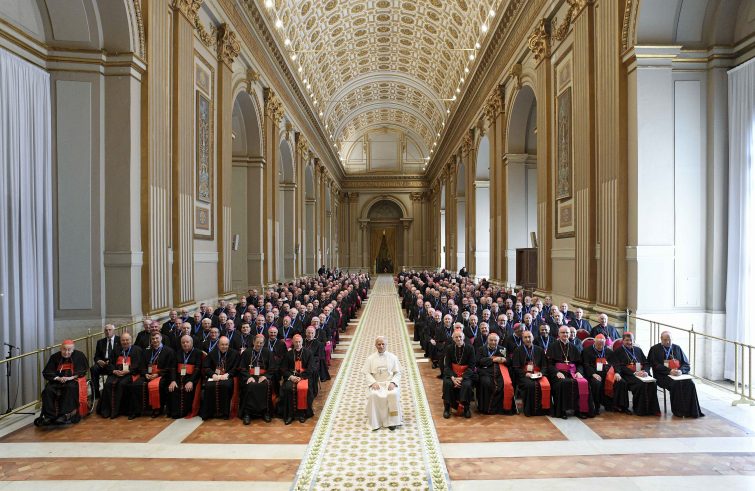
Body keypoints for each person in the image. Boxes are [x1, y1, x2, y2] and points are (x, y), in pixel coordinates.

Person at [647, 331, 703, 417]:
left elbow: (686, 364)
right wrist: (669, 371)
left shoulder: (677, 348)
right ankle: (679, 411)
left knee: (690, 383)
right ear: (661, 339)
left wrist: (681, 371)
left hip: (678, 375)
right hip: (663, 376)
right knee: (676, 384)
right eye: (665, 340)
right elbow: (654, 365)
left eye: (669, 340)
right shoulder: (654, 349)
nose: (667, 342)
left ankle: (691, 411)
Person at [35, 340, 88, 426]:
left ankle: (65, 415)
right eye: (64, 349)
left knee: (70, 388)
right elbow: (48, 372)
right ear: (60, 348)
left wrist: (70, 378)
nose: (66, 352)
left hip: (72, 380)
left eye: (69, 350)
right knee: (47, 391)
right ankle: (49, 416)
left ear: (73, 350)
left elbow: (82, 371)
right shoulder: (54, 357)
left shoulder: (79, 355)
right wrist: (58, 378)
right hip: (57, 381)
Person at [546, 326, 593, 419]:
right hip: (559, 373)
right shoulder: (552, 346)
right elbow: (549, 364)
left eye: (567, 333)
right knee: (563, 383)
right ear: (559, 334)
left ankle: (580, 410)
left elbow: (579, 363)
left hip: (572, 373)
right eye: (563, 332)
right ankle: (562, 411)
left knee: (583, 383)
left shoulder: (574, 347)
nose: (565, 334)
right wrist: (556, 372)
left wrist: (579, 372)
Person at [127, 331, 175, 419]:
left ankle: (157, 409)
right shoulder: (146, 351)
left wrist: (158, 374)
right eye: (153, 339)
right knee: (135, 385)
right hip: (148, 375)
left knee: (158, 385)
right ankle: (136, 411)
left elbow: (170, 367)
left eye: (157, 338)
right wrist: (145, 373)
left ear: (161, 338)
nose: (155, 340)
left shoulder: (169, 351)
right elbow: (141, 365)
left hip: (161, 376)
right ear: (151, 340)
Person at [98, 332, 146, 419]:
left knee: (121, 384)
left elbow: (139, 365)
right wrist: (114, 371)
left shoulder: (137, 350)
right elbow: (110, 363)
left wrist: (128, 371)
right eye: (123, 340)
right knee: (108, 384)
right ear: (120, 341)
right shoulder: (116, 350)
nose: (125, 342)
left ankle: (119, 411)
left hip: (130, 373)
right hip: (117, 373)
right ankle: (107, 410)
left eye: (127, 340)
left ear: (131, 340)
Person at [612, 332, 661, 416]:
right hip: (628, 375)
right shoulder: (618, 351)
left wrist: (645, 371)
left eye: (631, 340)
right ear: (623, 341)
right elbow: (620, 366)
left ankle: (653, 409)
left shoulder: (638, 350)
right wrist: (635, 373)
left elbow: (646, 363)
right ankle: (640, 410)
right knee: (640, 384)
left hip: (642, 374)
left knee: (652, 384)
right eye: (627, 340)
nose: (629, 342)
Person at [362, 336, 402, 431]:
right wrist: (373, 382)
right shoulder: (370, 358)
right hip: (377, 384)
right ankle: (376, 422)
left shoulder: (393, 357)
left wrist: (393, 382)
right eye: (379, 344)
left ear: (386, 345)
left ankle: (393, 422)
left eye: (383, 344)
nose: (381, 346)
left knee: (393, 394)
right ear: (375, 345)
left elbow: (398, 372)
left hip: (389, 384)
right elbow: (367, 373)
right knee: (374, 395)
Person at [200, 336, 240, 420]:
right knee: (209, 386)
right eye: (222, 344)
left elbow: (236, 368)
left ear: (228, 344)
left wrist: (228, 374)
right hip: (215, 376)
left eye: (226, 344)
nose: (224, 346)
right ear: (218, 345)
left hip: (227, 377)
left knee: (226, 386)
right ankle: (210, 412)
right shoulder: (212, 353)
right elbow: (206, 367)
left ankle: (224, 413)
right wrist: (213, 374)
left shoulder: (235, 353)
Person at [512, 330, 550, 416]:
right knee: (530, 385)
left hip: (538, 374)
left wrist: (541, 373)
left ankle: (543, 410)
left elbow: (544, 365)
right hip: (523, 375)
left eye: (529, 337)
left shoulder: (540, 350)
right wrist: (525, 374)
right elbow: (515, 367)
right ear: (522, 339)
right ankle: (530, 410)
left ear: (533, 338)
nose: (527, 339)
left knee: (545, 385)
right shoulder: (518, 350)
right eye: (525, 337)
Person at [279, 334, 315, 424]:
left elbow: (311, 368)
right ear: (293, 342)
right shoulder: (288, 354)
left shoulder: (308, 353)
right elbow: (283, 368)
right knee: (288, 388)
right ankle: (290, 415)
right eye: (296, 342)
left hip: (304, 377)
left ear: (302, 342)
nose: (298, 344)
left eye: (299, 342)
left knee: (304, 389)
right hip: (291, 377)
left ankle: (302, 413)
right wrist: (291, 377)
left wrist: (301, 377)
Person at [238, 334, 274, 425]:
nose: (259, 344)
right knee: (250, 385)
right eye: (257, 342)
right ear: (253, 342)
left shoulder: (268, 352)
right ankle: (247, 413)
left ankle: (265, 412)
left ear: (264, 343)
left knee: (266, 384)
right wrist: (248, 377)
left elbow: (272, 367)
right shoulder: (247, 352)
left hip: (263, 376)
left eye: (261, 343)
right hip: (250, 376)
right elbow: (242, 368)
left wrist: (266, 376)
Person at [475, 332, 514, 414]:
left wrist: (505, 360)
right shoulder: (481, 349)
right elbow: (478, 362)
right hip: (485, 372)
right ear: (487, 340)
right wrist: (493, 359)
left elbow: (509, 361)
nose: (493, 342)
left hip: (499, 372)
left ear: (498, 341)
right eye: (491, 340)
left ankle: (501, 408)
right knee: (486, 382)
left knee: (504, 383)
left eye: (495, 340)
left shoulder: (502, 349)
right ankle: (486, 408)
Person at [581, 334, 620, 413]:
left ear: (605, 343)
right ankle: (596, 406)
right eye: (598, 344)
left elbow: (615, 364)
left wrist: (617, 373)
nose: (600, 346)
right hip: (593, 374)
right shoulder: (586, 351)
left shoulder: (608, 351)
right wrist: (593, 374)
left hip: (607, 374)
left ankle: (610, 404)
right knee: (596, 383)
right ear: (594, 342)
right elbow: (585, 364)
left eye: (602, 344)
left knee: (618, 381)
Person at [442, 329, 476, 419]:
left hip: (465, 374)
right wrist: (453, 377)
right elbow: (447, 366)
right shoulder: (449, 348)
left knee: (467, 384)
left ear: (463, 337)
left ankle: (466, 408)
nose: (458, 339)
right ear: (453, 339)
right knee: (447, 383)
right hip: (452, 374)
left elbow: (472, 366)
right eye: (456, 337)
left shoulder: (470, 348)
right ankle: (447, 408)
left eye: (460, 336)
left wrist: (462, 377)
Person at [168, 334, 203, 419]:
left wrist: (191, 381)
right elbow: (173, 368)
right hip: (178, 377)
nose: (185, 344)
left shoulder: (198, 353)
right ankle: (175, 412)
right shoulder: (177, 352)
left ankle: (185, 411)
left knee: (188, 388)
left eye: (187, 342)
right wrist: (173, 380)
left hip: (192, 377)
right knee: (174, 388)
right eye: (183, 342)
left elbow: (198, 368)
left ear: (191, 343)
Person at [90, 324, 119, 400]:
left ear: (113, 330)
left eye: (110, 330)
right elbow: (96, 356)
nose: (108, 332)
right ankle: (96, 394)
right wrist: (99, 361)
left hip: (114, 364)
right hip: (103, 364)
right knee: (93, 368)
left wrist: (111, 361)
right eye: (106, 330)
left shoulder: (119, 340)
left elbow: (121, 354)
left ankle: (111, 393)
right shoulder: (100, 342)